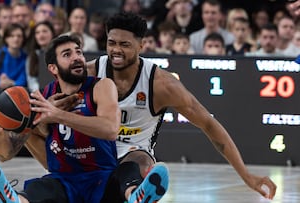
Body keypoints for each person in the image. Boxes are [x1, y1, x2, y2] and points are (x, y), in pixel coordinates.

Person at [20, 12, 277, 203]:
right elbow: (49, 104)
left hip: (133, 154)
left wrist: (246, 175)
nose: (116, 50)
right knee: (35, 130)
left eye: (124, 44)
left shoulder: (161, 84)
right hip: (90, 155)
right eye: (111, 43)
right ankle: (23, 195)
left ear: (141, 46)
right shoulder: (88, 72)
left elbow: (209, 124)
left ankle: (137, 194)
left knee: (139, 159)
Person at [0, 35, 168, 203]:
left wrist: (57, 115)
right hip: (64, 181)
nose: (77, 57)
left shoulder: (101, 86)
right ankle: (15, 200)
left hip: (101, 179)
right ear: (53, 68)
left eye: (78, 52)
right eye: (67, 54)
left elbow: (111, 129)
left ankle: (137, 196)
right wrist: (6, 128)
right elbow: (4, 155)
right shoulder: (44, 97)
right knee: (40, 186)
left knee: (128, 170)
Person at [0, 23, 27, 89]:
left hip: (18, 93)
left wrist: (10, 83)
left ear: (23, 39)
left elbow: (23, 80)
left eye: (19, 36)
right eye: (11, 36)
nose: (16, 39)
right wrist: (0, 83)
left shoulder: (25, 57)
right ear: (6, 39)